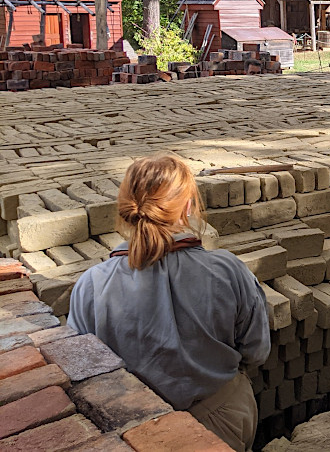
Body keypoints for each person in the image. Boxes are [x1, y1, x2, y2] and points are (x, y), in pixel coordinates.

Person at [68, 154, 270, 452]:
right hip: (220, 419)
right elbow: (256, 351)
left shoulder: (91, 284)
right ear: (188, 206)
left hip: (131, 431)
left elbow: (83, 374)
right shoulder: (228, 270)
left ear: (125, 212)